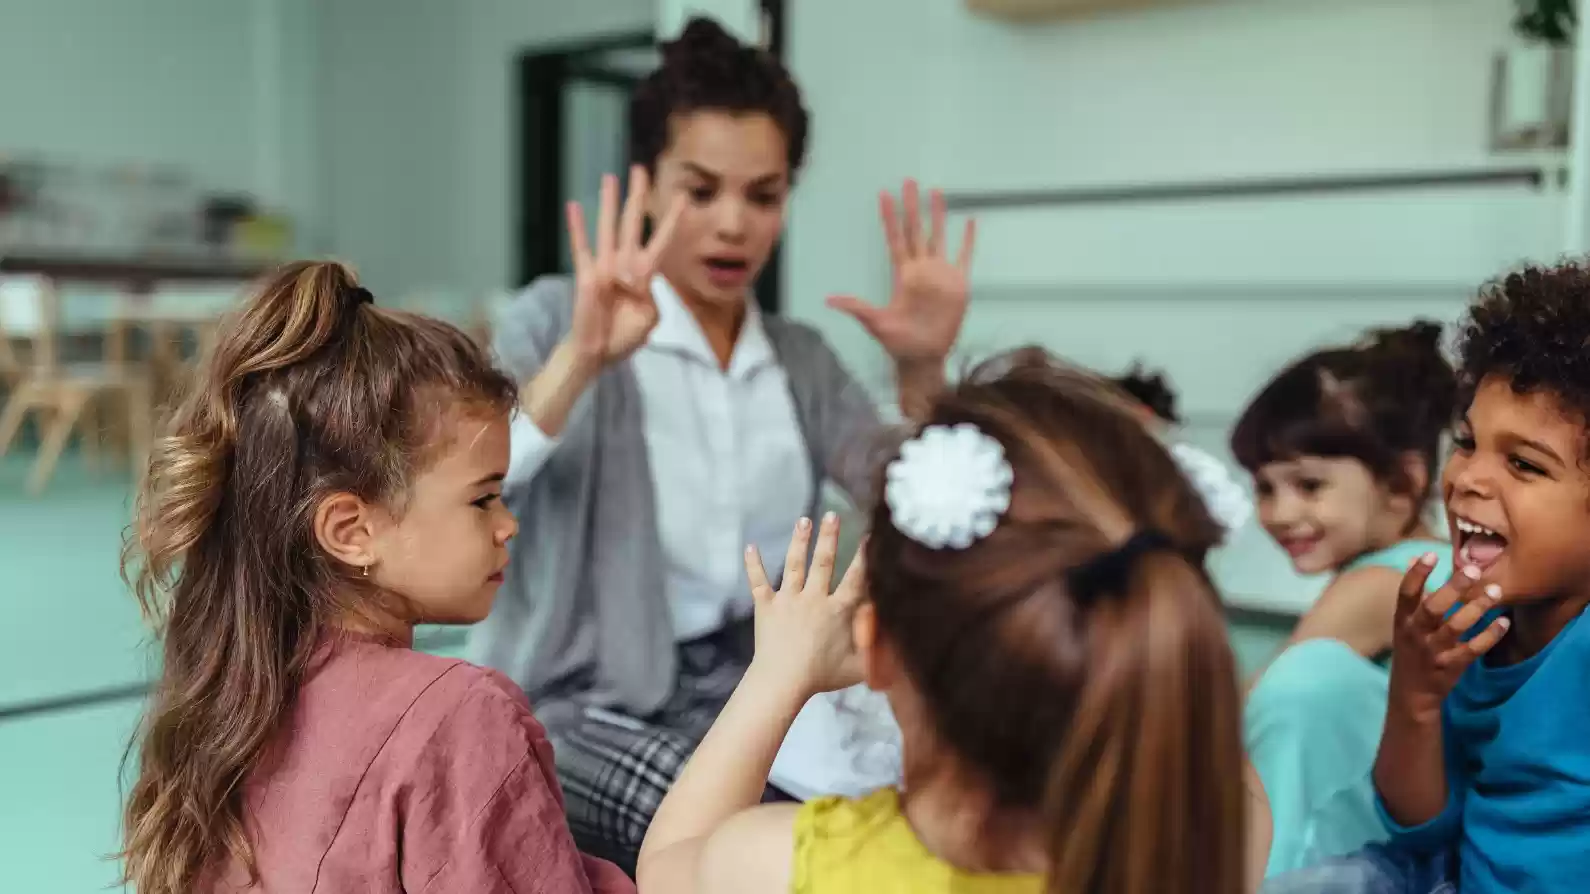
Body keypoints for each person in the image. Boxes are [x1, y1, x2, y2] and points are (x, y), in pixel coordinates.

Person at [468, 16, 975, 869]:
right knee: (749, 836)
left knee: (909, 793)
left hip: (762, 675)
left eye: (763, 195)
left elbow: (918, 491)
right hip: (583, 698)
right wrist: (581, 360)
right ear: (646, 186)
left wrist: (925, 372)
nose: (733, 224)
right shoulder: (555, 319)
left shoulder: (799, 358)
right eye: (700, 191)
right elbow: (471, 480)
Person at [635, 350, 1248, 894]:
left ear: (874, 647)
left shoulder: (794, 863)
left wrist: (776, 675)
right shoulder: (1214, 841)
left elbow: (665, 869)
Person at [117, 262, 632, 894]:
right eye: (483, 499)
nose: (508, 526)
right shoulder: (461, 718)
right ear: (350, 531)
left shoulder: (230, 696)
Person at [1263, 262, 1590, 894]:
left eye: (1524, 464)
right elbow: (1419, 826)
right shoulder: (1472, 624)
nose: (1468, 478)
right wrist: (1415, 695)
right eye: (1467, 443)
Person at [1229, 322, 1459, 877]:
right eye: (1265, 487)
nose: (1281, 513)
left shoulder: (1386, 584)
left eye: (1309, 485)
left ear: (1402, 483)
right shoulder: (1431, 564)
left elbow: (1252, 706)